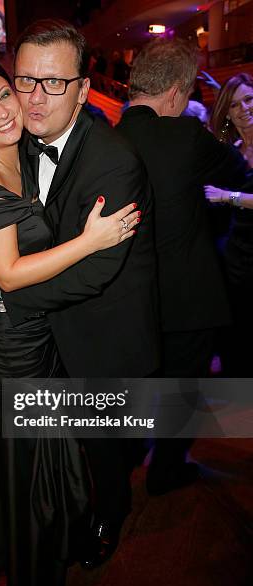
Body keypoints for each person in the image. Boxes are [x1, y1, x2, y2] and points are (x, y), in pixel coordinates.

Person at [0, 19, 159, 571]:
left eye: (53, 82)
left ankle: (110, 516)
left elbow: (95, 271)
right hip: (45, 341)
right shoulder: (14, 142)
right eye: (25, 80)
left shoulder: (114, 160)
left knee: (105, 447)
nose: (34, 97)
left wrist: (4, 298)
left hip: (104, 334)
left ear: (81, 87)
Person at [116, 39, 250, 494]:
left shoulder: (101, 139)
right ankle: (166, 470)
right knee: (184, 387)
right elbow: (235, 171)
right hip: (189, 296)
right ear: (176, 93)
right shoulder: (186, 136)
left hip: (128, 295)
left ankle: (131, 451)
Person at [204, 73, 253, 376]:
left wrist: (227, 196)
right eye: (234, 105)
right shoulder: (231, 149)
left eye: (249, 99)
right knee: (239, 330)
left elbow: (224, 197)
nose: (244, 109)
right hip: (236, 256)